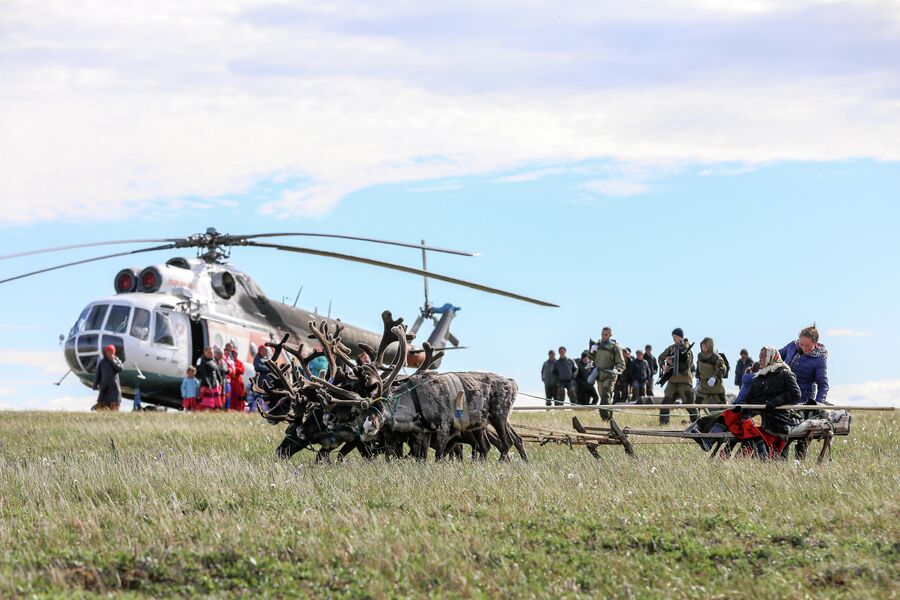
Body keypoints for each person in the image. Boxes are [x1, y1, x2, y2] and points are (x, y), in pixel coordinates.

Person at [780, 324, 829, 459]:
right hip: (785, 396)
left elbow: (823, 385)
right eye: (801, 344)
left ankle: (799, 464)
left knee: (802, 433)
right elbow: (775, 357)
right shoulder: (791, 346)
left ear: (815, 344)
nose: (803, 348)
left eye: (807, 346)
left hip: (805, 399)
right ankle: (779, 465)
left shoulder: (819, 358)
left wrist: (817, 406)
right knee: (782, 430)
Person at [742, 346, 802, 455]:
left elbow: (795, 394)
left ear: (771, 357)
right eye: (759, 357)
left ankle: (763, 455)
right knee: (735, 420)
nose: (760, 360)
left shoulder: (785, 373)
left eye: (763, 357)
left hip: (778, 417)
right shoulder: (758, 378)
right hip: (760, 415)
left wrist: (775, 402)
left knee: (748, 425)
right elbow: (748, 398)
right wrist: (743, 410)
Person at [657, 328, 698, 425]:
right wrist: (664, 365)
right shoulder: (671, 348)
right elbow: (660, 358)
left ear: (680, 336)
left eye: (675, 336)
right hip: (672, 381)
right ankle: (663, 424)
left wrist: (676, 362)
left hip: (684, 381)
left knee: (690, 405)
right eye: (673, 337)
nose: (674, 338)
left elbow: (687, 365)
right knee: (665, 403)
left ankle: (697, 424)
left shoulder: (687, 349)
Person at [592, 327, 625, 420]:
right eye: (602, 334)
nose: (603, 336)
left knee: (606, 396)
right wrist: (591, 351)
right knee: (603, 397)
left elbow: (621, 362)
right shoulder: (598, 345)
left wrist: (618, 369)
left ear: (610, 335)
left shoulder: (615, 347)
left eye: (606, 334)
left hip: (610, 375)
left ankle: (605, 417)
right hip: (599, 375)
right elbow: (592, 358)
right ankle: (610, 418)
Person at [695, 337, 727, 408]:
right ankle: (695, 419)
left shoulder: (716, 357)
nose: (703, 348)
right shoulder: (699, 356)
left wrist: (714, 378)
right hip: (703, 387)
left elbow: (722, 368)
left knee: (723, 407)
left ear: (710, 346)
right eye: (702, 346)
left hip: (717, 387)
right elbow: (698, 367)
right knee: (696, 406)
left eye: (705, 347)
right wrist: (697, 378)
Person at [92, 344, 123, 411]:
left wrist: (112, 361)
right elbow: (98, 375)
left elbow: (120, 368)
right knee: (102, 405)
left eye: (111, 352)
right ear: (106, 352)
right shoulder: (102, 362)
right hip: (104, 388)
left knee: (114, 406)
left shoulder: (116, 360)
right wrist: (95, 385)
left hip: (114, 388)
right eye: (108, 352)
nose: (110, 353)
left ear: (114, 352)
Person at [197, 346, 222, 411]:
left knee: (215, 404)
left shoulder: (213, 359)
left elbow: (217, 370)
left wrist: (220, 380)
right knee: (207, 403)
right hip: (207, 385)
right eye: (209, 352)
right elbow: (203, 375)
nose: (211, 354)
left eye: (211, 352)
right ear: (205, 353)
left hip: (214, 385)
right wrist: (208, 384)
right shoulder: (203, 362)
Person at [250, 345, 271, 412]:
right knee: (259, 394)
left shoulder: (267, 358)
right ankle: (255, 408)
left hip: (267, 381)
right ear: (261, 350)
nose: (266, 352)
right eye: (264, 350)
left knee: (267, 395)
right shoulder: (257, 358)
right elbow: (258, 367)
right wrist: (268, 369)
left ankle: (266, 409)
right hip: (260, 380)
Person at [229, 347, 246, 412]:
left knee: (239, 395)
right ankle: (231, 408)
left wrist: (235, 368)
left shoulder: (240, 362)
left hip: (238, 382)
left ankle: (239, 408)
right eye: (233, 354)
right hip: (231, 382)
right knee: (231, 396)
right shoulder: (229, 362)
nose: (234, 355)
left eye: (235, 354)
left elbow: (242, 371)